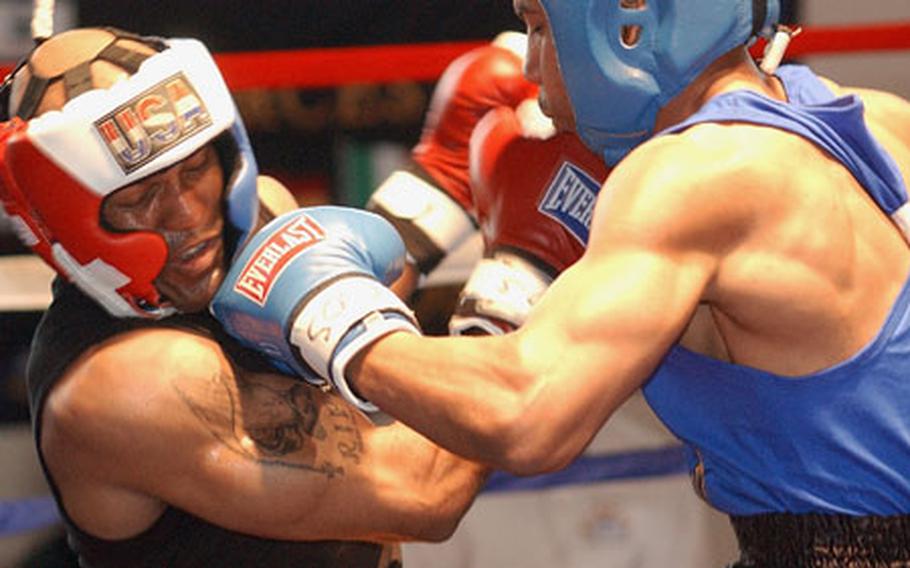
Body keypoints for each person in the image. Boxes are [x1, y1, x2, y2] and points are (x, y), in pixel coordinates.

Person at [211, 0, 910, 564]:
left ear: (628, 22)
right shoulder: (872, 117)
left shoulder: (686, 178)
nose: (531, 63)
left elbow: (526, 416)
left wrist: (326, 309)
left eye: (541, 27)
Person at [0, 27, 491, 568]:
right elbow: (424, 492)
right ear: (69, 222)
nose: (189, 216)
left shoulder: (249, 220)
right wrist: (523, 269)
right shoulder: (127, 386)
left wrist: (446, 177)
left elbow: (335, 310)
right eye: (140, 198)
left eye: (195, 169)